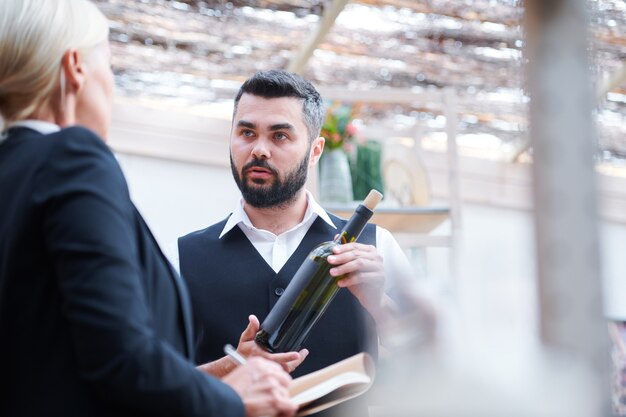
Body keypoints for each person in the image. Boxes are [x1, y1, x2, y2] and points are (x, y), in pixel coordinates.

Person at [0, 2, 297, 417]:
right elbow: (118, 359)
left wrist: (232, 366)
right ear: (75, 69)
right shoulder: (72, 157)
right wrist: (234, 400)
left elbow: (58, 352)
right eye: (109, 65)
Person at [171, 70, 420, 416]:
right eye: (246, 132)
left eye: (280, 136)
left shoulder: (377, 246)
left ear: (315, 150)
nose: (259, 150)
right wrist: (233, 365)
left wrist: (378, 302)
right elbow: (155, 387)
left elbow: (429, 365)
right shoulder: (182, 258)